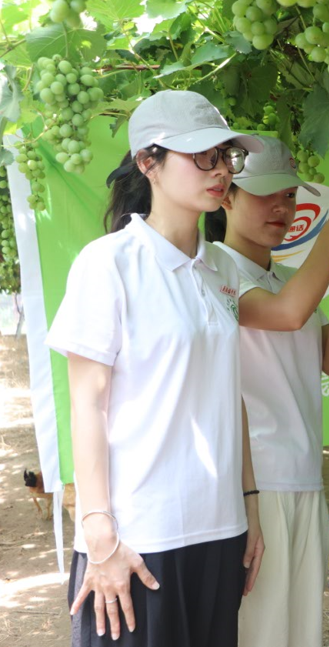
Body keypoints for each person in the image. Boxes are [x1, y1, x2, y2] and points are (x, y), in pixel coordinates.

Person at [46, 90, 264, 646]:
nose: (220, 170)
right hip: (137, 539)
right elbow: (88, 404)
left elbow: (228, 393)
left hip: (220, 530)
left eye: (226, 156)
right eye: (202, 156)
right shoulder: (108, 263)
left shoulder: (222, 268)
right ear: (149, 162)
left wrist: (250, 506)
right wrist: (100, 533)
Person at [206, 135, 329, 647]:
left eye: (288, 195)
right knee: (260, 631)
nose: (281, 208)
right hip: (253, 484)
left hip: (305, 476)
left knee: (301, 631)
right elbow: (286, 315)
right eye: (264, 194)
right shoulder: (215, 270)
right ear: (226, 196)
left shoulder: (290, 278)